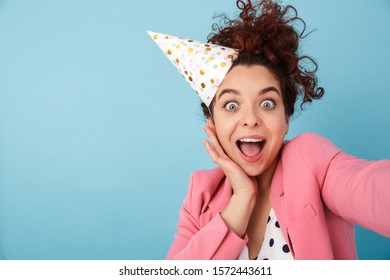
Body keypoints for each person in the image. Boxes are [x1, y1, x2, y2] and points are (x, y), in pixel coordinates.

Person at [149, 0, 390, 260]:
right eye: (231, 105)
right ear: (213, 122)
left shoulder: (310, 160)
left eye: (267, 103)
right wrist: (242, 196)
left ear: (286, 118)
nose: (250, 119)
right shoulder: (201, 192)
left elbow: (370, 188)